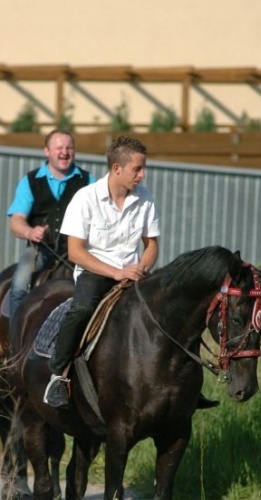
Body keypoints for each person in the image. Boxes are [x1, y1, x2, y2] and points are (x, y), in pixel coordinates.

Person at [43, 136, 160, 409]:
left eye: (143, 169)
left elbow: (152, 245)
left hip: (133, 272)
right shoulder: (85, 198)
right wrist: (117, 272)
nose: (142, 176)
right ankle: (58, 375)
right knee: (82, 309)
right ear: (117, 169)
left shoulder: (146, 199)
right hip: (95, 271)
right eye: (137, 169)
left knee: (164, 308)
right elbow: (75, 252)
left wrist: (141, 268)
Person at [6, 129, 94, 319]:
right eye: (59, 148)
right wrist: (30, 232)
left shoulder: (89, 182)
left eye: (69, 148)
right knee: (19, 284)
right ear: (47, 151)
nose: (65, 152)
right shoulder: (30, 181)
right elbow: (16, 221)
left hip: (78, 251)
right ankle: (15, 339)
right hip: (40, 251)